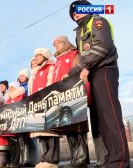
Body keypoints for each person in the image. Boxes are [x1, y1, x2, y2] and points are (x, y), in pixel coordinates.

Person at [69, 1, 130, 167]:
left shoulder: (97, 21)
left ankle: (120, 160)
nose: (75, 14)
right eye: (73, 14)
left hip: (104, 69)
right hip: (93, 73)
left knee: (110, 115)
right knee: (102, 119)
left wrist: (86, 67)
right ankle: (112, 157)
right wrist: (71, 74)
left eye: (78, 11)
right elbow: (83, 57)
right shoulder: (80, 31)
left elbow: (103, 46)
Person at [52, 35, 90, 168]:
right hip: (62, 96)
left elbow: (79, 66)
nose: (55, 45)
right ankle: (74, 157)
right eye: (54, 44)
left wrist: (69, 74)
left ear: (64, 42)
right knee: (68, 126)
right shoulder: (57, 60)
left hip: (74, 92)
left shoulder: (74, 53)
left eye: (57, 43)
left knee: (78, 125)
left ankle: (82, 158)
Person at [28, 48, 60, 168]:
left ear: (44, 56)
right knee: (41, 133)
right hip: (37, 105)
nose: (35, 58)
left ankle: (52, 159)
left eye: (38, 55)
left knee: (50, 132)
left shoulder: (50, 66)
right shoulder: (36, 72)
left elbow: (51, 83)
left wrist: (45, 97)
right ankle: (44, 157)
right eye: (34, 56)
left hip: (48, 103)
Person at [5, 81, 25, 168]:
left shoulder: (21, 96)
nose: (10, 89)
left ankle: (17, 161)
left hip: (18, 123)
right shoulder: (8, 99)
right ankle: (12, 160)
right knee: (11, 144)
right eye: (10, 87)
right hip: (9, 124)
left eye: (12, 87)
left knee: (17, 143)